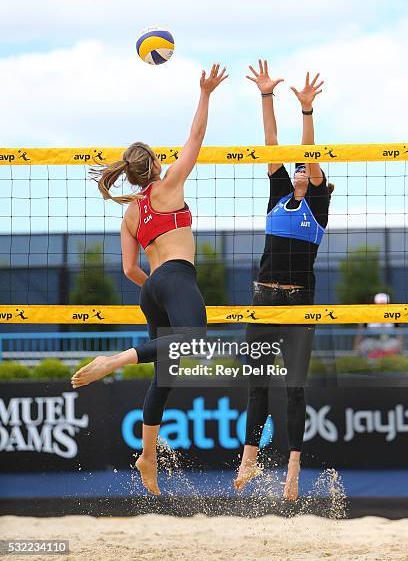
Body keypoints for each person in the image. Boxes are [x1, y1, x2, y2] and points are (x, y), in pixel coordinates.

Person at [71, 64, 228, 495]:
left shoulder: (130, 212)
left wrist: (156, 287)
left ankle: (146, 455)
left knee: (166, 374)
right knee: (197, 339)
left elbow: (128, 270)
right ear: (155, 165)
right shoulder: (168, 187)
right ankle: (115, 361)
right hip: (175, 278)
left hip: (152, 286)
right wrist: (206, 93)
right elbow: (195, 139)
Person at [234, 60, 333, 500]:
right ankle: (250, 459)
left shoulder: (319, 203)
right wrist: (266, 95)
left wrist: (307, 112)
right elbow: (272, 142)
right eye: (294, 168)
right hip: (263, 297)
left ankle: (293, 470)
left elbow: (308, 156)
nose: (298, 170)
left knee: (294, 389)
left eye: (305, 169)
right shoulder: (277, 195)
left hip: (299, 301)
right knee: (257, 386)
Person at [354, 292, 404, 358]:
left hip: (387, 342)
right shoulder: (368, 315)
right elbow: (360, 331)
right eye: (379, 304)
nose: (381, 306)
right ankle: (370, 363)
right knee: (363, 346)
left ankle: (388, 362)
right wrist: (355, 346)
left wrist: (400, 346)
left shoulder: (394, 315)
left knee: (396, 344)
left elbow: (399, 332)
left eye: (383, 304)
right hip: (373, 341)